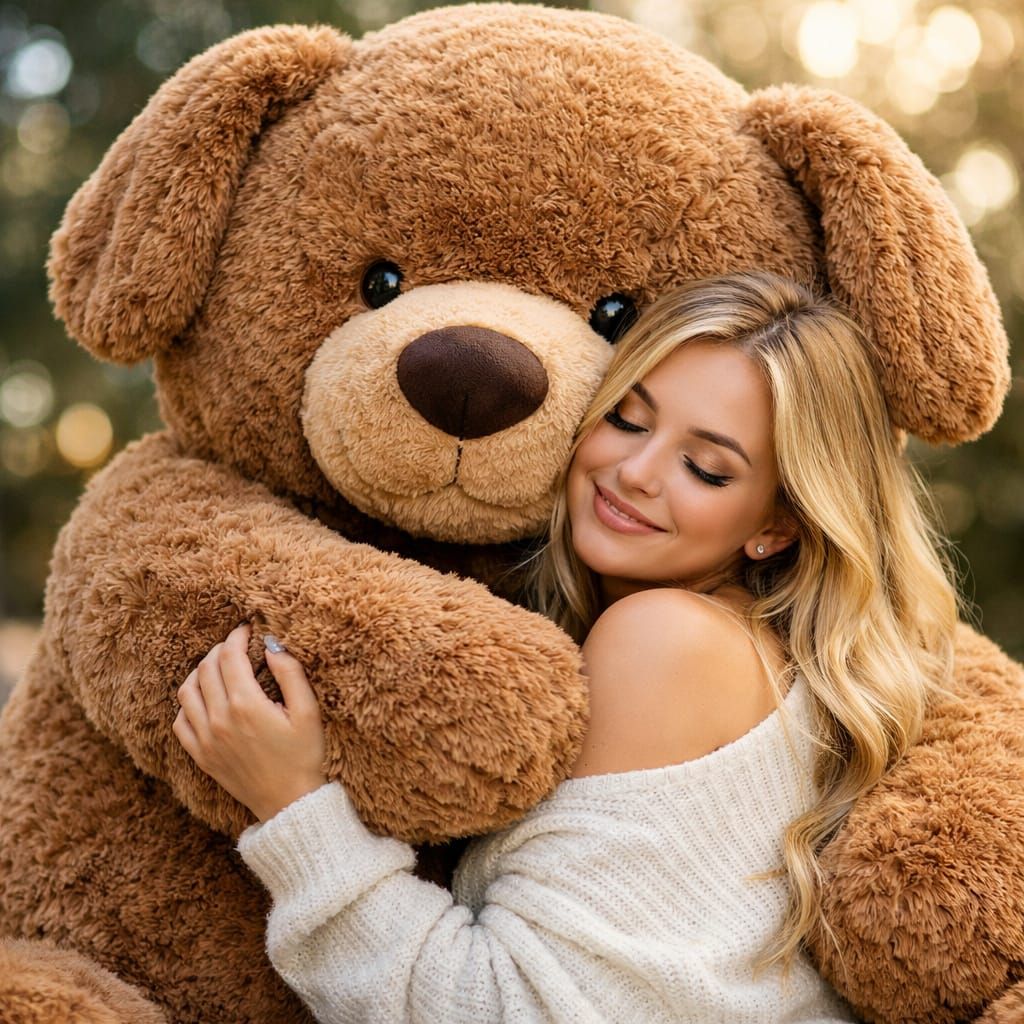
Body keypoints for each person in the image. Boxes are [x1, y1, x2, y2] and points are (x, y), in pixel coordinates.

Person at [174, 271, 957, 1023]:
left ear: (776, 526)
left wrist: (295, 807)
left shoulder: (669, 640)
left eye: (706, 468)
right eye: (628, 418)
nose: (636, 472)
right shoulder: (731, 645)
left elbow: (504, 1011)